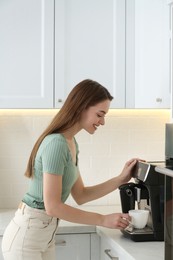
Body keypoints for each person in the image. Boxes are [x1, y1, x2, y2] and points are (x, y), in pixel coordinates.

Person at [2, 79, 139, 260]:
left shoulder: (70, 143)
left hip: (44, 235)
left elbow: (81, 195)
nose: (102, 121)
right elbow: (53, 207)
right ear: (82, 107)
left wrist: (120, 179)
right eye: (100, 114)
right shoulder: (56, 144)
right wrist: (103, 219)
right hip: (27, 237)